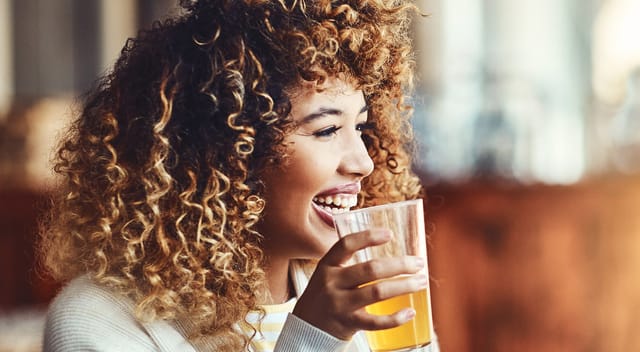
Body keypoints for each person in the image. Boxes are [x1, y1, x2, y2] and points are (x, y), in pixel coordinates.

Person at [39, 0, 438, 351]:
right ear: (229, 152)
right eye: (327, 130)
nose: (364, 163)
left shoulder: (362, 287)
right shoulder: (98, 321)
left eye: (362, 129)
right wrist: (315, 337)